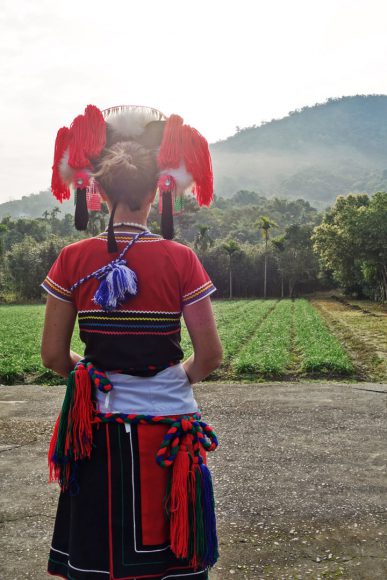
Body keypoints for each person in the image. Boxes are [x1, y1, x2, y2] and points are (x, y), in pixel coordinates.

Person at [41, 105, 223, 580]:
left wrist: (93, 376)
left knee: (99, 560)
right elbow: (209, 355)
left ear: (98, 191)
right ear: (157, 191)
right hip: (170, 427)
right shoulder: (182, 259)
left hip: (98, 426)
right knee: (173, 556)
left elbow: (54, 356)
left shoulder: (72, 259)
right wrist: (171, 379)